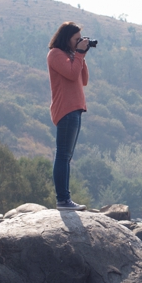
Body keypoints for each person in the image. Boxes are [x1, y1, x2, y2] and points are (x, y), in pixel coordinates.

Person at [47, 21, 91, 211]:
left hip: (75, 109)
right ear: (67, 38)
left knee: (67, 156)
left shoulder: (72, 56)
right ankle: (63, 200)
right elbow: (72, 75)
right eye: (76, 39)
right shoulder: (55, 54)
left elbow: (84, 80)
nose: (79, 42)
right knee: (63, 155)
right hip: (66, 109)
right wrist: (79, 54)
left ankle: (64, 199)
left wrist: (81, 55)